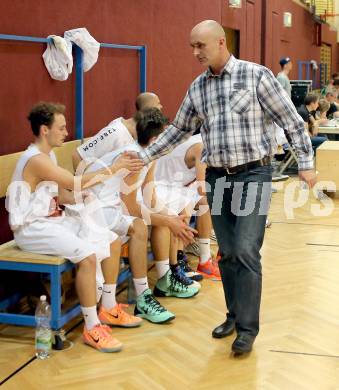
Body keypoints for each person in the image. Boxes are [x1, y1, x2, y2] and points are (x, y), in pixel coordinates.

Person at [138, 20, 315, 354]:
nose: (194, 52)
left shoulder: (256, 76)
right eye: (192, 46)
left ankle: (247, 330)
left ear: (221, 42)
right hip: (218, 178)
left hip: (252, 175)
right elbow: (178, 129)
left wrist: (305, 164)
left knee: (246, 250)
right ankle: (234, 315)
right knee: (229, 252)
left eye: (199, 46)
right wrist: (144, 155)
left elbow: (291, 121)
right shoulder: (198, 87)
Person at [6, 102, 145, 353]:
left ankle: (109, 307)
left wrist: (84, 198)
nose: (66, 132)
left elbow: (66, 195)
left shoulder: (49, 155)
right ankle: (91, 328)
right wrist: (113, 169)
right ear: (44, 130)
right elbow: (74, 182)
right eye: (60, 128)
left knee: (111, 240)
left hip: (53, 220)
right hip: (32, 228)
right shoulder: (35, 159)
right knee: (88, 255)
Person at [84, 108, 199, 312]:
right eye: (168, 135)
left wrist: (174, 218)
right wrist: (168, 222)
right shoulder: (134, 158)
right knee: (140, 226)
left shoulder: (150, 156)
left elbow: (150, 198)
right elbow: (132, 208)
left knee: (152, 221)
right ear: (156, 139)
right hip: (93, 206)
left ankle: (146, 294)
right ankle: (142, 297)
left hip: (112, 204)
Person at [155, 133, 220, 280]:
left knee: (203, 202)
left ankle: (202, 260)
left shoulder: (207, 140)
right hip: (160, 185)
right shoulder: (202, 147)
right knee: (203, 201)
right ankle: (178, 262)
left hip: (178, 186)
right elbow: (202, 188)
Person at [72, 92, 163, 170]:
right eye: (158, 103)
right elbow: (78, 155)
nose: (161, 106)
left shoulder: (142, 135)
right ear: (148, 110)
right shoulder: (115, 132)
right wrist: (83, 186)